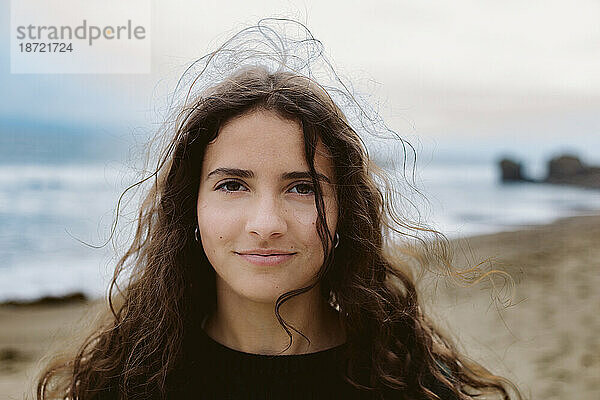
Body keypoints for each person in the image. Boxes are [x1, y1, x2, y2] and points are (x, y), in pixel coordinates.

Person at [36, 21, 521, 400]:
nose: (265, 224)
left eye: (301, 189)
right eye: (231, 185)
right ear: (191, 209)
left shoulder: (411, 386)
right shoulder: (124, 385)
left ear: (343, 211)